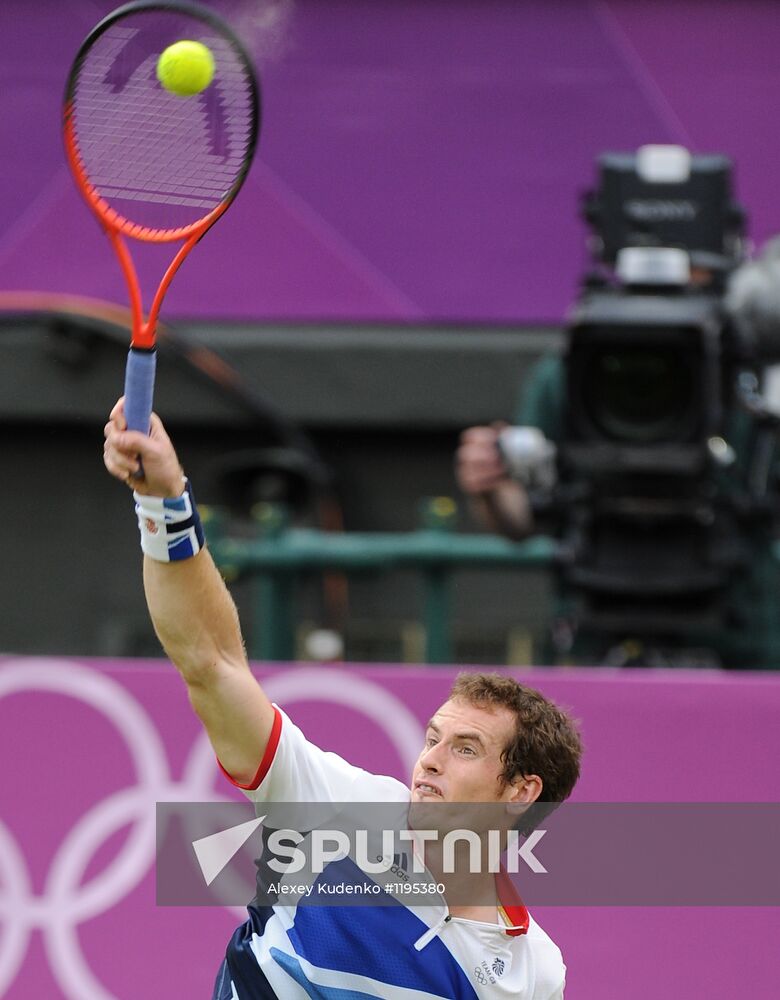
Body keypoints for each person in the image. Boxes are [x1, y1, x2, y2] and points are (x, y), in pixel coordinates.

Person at [103, 398, 583, 999]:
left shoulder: (531, 973)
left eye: (465, 748)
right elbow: (212, 663)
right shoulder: (339, 814)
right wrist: (163, 504)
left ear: (520, 792)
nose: (428, 759)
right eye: (433, 738)